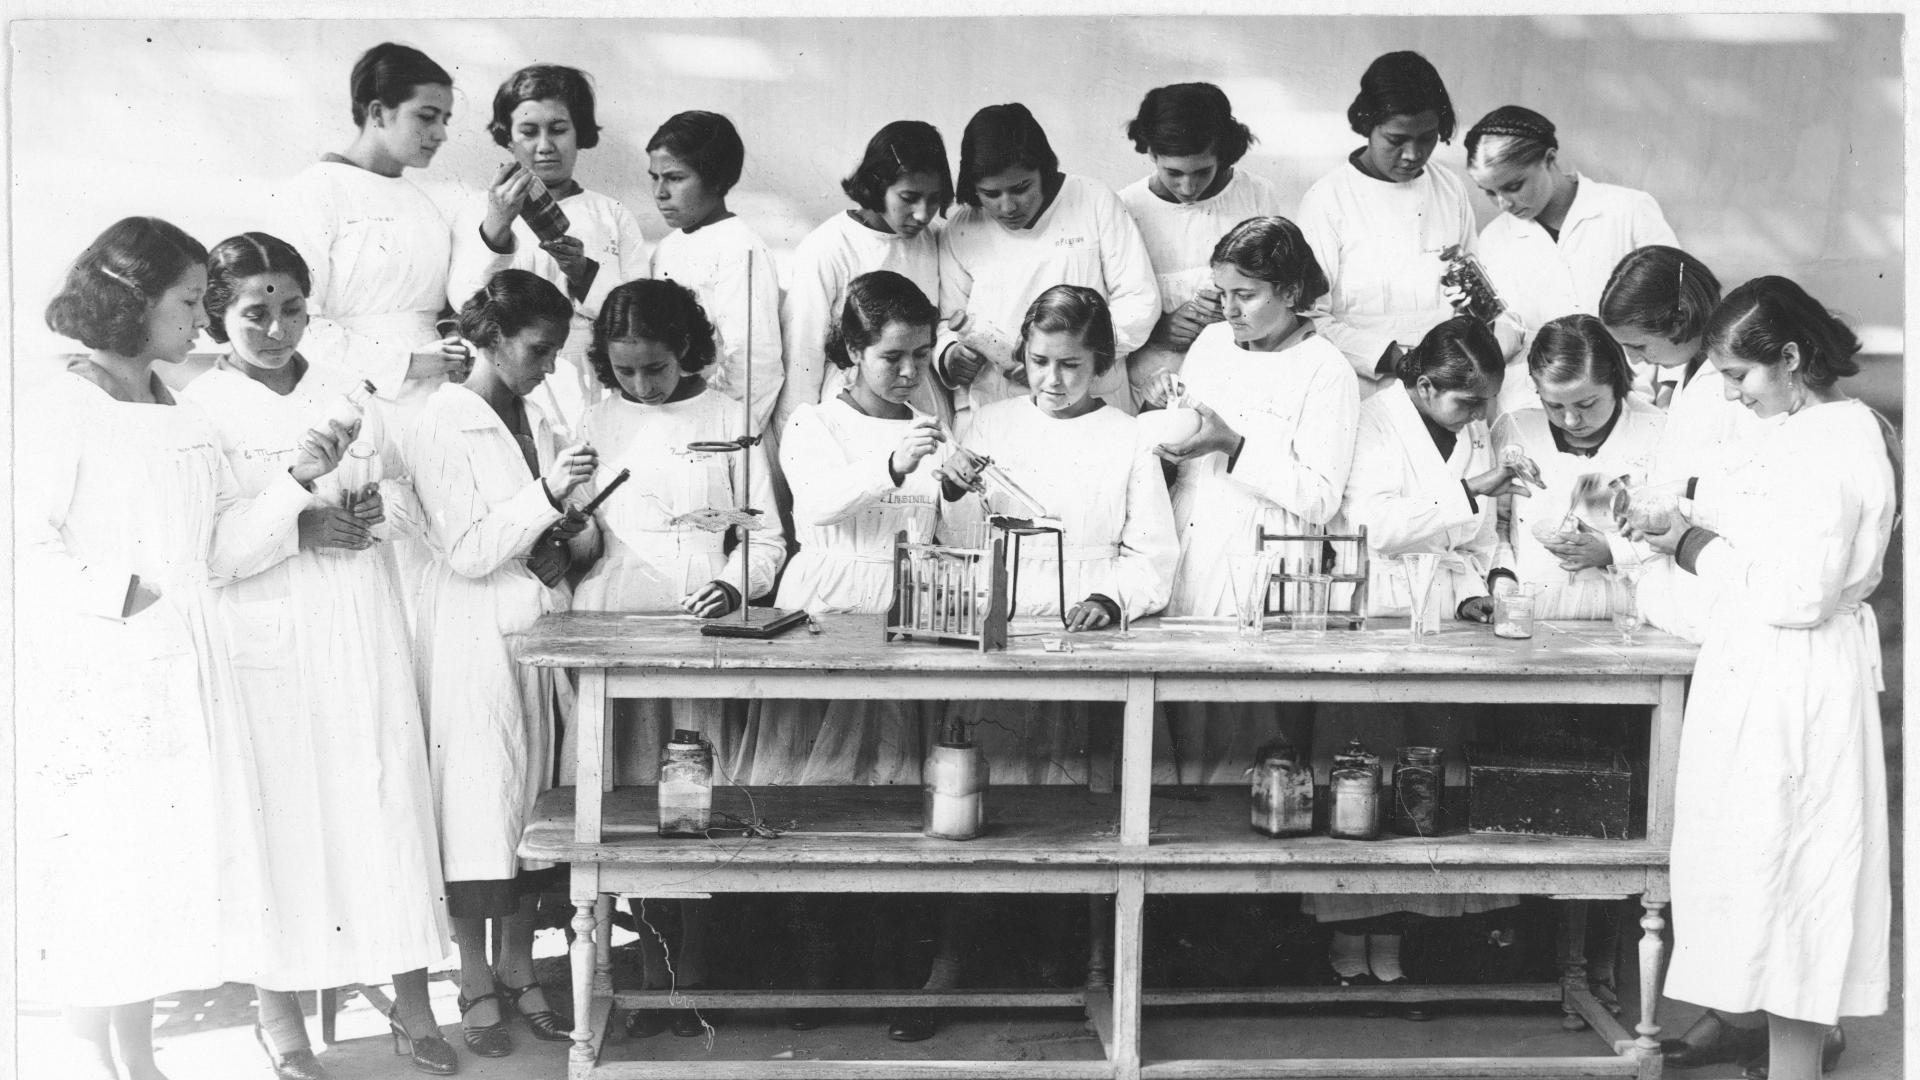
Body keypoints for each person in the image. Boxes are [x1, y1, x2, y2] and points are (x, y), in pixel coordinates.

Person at [20, 217, 340, 1080]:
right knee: (113, 874)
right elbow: (22, 542)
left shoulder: (180, 406)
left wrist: (295, 482)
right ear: (131, 300)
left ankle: (141, 1054)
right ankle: (115, 1062)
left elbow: (222, 550)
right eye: (191, 300)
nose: (201, 319)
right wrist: (123, 598)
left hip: (193, 668)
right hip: (110, 672)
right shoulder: (65, 404)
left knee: (166, 879)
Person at [182, 232, 453, 1079]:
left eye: (292, 308)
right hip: (267, 637)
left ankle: (414, 1004)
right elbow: (214, 554)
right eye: (253, 312)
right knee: (286, 825)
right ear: (217, 317)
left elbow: (407, 500)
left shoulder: (347, 390)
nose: (275, 327)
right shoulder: (200, 410)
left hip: (357, 625)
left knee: (383, 805)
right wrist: (299, 514)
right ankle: (282, 1021)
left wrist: (373, 510)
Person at [1626, 277, 1890, 1080]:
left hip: (1798, 683)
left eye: (1740, 376)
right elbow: (1752, 525)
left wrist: (1688, 545)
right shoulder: (1790, 429)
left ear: (1793, 358)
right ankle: (1777, 1055)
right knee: (1756, 878)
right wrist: (1678, 518)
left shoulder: (1843, 438)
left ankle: (1797, 1068)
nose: (1732, 394)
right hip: (1756, 674)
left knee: (1798, 883)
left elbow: (1797, 592)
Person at [564, 278, 787, 1041]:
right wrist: (571, 532)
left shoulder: (728, 417)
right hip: (616, 623)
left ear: (685, 349)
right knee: (625, 802)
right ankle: (647, 975)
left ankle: (690, 974)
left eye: (655, 368)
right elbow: (585, 534)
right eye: (625, 370)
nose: (641, 385)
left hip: (698, 627)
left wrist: (732, 585)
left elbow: (765, 538)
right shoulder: (595, 419)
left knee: (688, 803)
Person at [748, 270, 960, 1041]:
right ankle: (813, 968)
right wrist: (898, 465)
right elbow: (817, 507)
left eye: (920, 356)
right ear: (851, 351)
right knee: (818, 786)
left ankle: (897, 975)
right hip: (830, 602)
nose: (909, 373)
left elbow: (932, 529)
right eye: (892, 357)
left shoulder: (927, 421)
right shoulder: (812, 422)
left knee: (900, 793)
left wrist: (956, 488)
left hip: (906, 609)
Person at [1312, 315, 1534, 1016]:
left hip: (1440, 612)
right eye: (1468, 402)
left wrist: (1475, 595)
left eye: (1485, 404)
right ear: (1424, 383)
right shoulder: (1373, 419)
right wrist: (1474, 489)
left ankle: (1403, 939)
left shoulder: (1464, 426)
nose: (1479, 418)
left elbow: (1470, 542)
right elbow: (1374, 526)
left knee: (1424, 777)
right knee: (1357, 772)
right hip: (1373, 605)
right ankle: (1349, 935)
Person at [407, 269, 601, 1062]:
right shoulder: (442, 422)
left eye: (556, 352)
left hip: (536, 625)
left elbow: (551, 535)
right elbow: (468, 549)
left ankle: (523, 973)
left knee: (529, 807)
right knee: (477, 811)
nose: (548, 366)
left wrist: (575, 530)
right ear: (488, 338)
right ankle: (476, 982)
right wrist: (549, 500)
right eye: (537, 350)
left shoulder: (538, 413)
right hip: (471, 636)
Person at [1143, 215, 1358, 783]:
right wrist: (1168, 410)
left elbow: (1320, 498)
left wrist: (1234, 445)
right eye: (1222, 294)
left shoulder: (1326, 369)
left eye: (1246, 295)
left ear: (1289, 292)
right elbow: (1188, 438)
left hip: (1273, 558)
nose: (1229, 311)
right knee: (1185, 717)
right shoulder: (1212, 343)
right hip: (1193, 542)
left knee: (1267, 724)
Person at [449, 63, 650, 437]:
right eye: (528, 132)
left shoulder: (610, 214)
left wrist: (584, 274)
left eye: (558, 130)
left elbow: (639, 311)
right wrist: (496, 225)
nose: (545, 146)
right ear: (507, 138)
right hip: (507, 372)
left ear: (580, 133)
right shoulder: (479, 209)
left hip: (588, 374)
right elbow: (465, 301)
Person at [936, 103, 1159, 430]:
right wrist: (950, 354)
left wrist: (1069, 359)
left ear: (1044, 169)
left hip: (1091, 398)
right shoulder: (961, 229)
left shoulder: (1093, 200)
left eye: (1021, 188)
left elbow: (1140, 300)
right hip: (1001, 403)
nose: (1008, 206)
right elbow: (948, 319)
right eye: (990, 194)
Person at [276, 42, 467, 413]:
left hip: (435, 394)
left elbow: (443, 306)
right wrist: (407, 364)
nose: (441, 133)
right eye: (427, 116)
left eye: (445, 119)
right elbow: (297, 320)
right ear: (378, 112)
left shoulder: (427, 205)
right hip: (354, 394)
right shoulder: (315, 189)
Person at [1462, 106, 1678, 414]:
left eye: (1513, 186)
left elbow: (1679, 304)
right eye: (1489, 193)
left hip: (1633, 395)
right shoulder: (1494, 239)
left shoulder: (1627, 210)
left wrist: (1671, 389)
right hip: (1538, 403)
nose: (1503, 204)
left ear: (1549, 158)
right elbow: (1509, 330)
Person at [1597, 246, 1761, 643]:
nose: (1635, 362)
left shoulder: (1736, 388)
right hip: (1686, 589)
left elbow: (1745, 492)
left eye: (1639, 346)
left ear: (1679, 320)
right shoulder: (1689, 379)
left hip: (1724, 588)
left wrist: (1673, 499)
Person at [1296, 51, 1481, 397]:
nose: (1412, 154)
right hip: (1360, 383)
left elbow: (1473, 296)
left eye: (1427, 137)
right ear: (1368, 125)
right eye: (1396, 141)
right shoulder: (1327, 200)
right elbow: (1308, 319)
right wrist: (1395, 360)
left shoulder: (1450, 190)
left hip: (1446, 381)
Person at [772, 120, 957, 456]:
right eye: (909, 198)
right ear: (877, 184)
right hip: (851, 410)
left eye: (933, 200)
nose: (922, 213)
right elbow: (803, 354)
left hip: (917, 396)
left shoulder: (930, 241)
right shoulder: (828, 247)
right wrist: (797, 448)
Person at [1117, 83, 1286, 405]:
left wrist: (1238, 311)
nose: (1188, 186)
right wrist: (1159, 328)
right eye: (1173, 172)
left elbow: (1287, 293)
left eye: (1202, 171)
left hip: (1243, 379)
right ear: (1151, 153)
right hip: (1155, 386)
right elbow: (1114, 306)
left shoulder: (1256, 195)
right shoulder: (1126, 208)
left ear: (1221, 154)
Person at [1489, 315, 1665, 619]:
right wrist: (1501, 575)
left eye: (1586, 405)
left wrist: (1611, 551)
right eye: (1554, 406)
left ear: (1616, 380)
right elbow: (1497, 525)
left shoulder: (1656, 430)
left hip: (1629, 611)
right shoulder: (1516, 428)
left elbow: (1680, 525)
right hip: (1532, 606)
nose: (1571, 421)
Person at [646, 110, 784, 432]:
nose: (660, 192)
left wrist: (718, 432)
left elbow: (754, 366)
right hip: (673, 417)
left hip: (716, 428)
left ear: (717, 180)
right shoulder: (667, 248)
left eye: (675, 178)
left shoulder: (740, 248)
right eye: (655, 177)